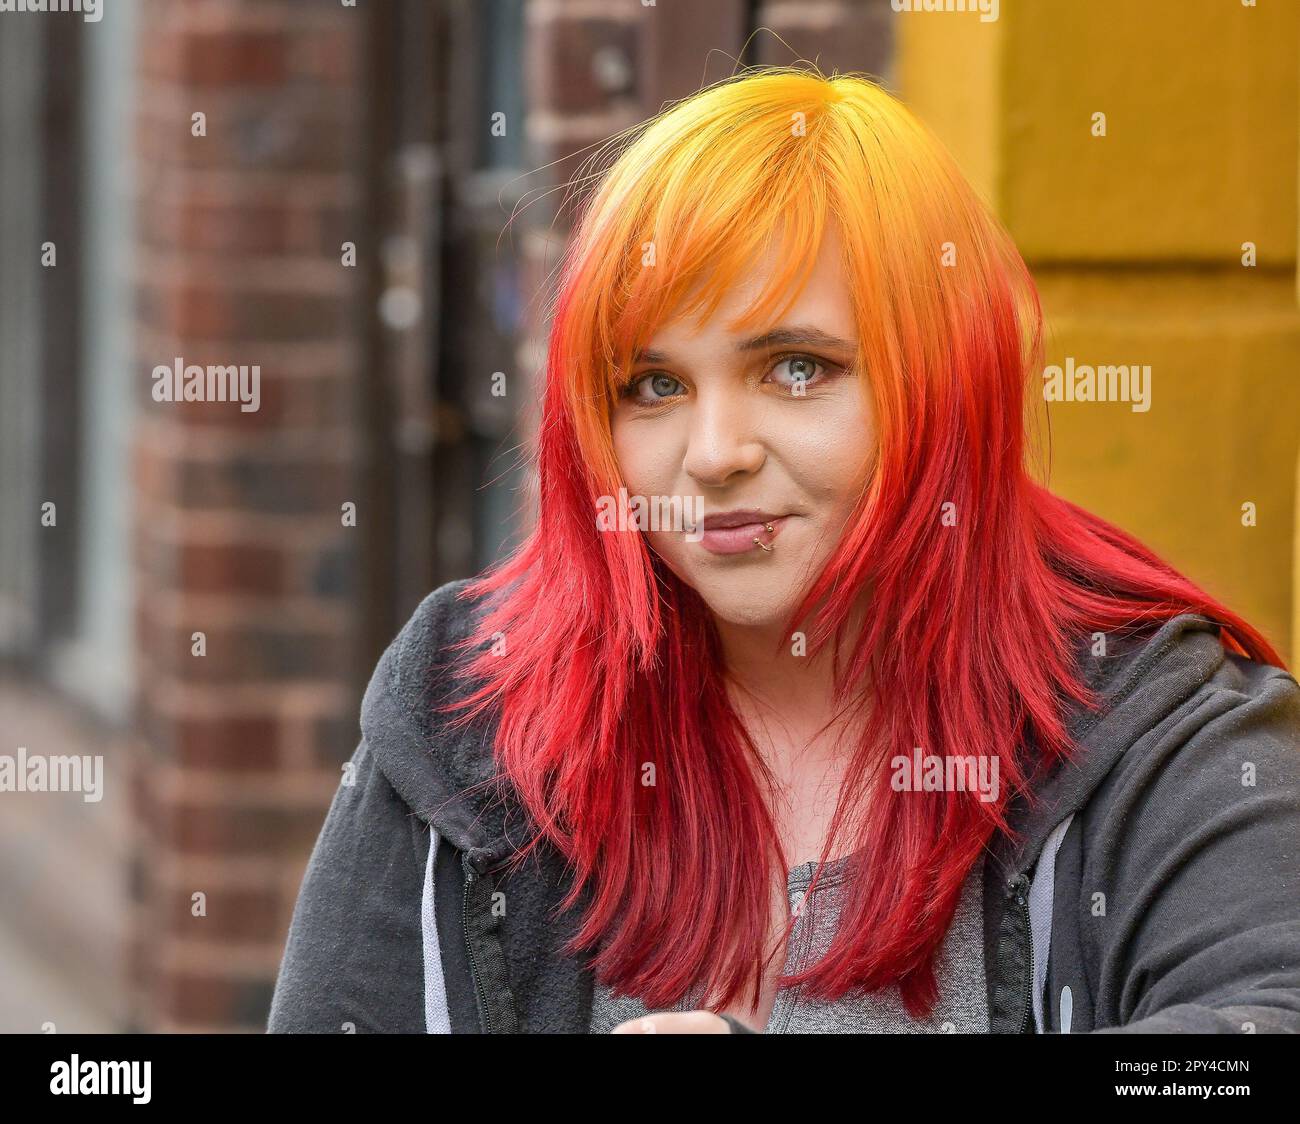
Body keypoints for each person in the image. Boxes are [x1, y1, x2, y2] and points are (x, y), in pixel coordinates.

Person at [267, 66, 1300, 1035]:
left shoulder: (1156, 723)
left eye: (796, 367)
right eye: (654, 385)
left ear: (943, 383)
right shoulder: (471, 708)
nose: (714, 455)